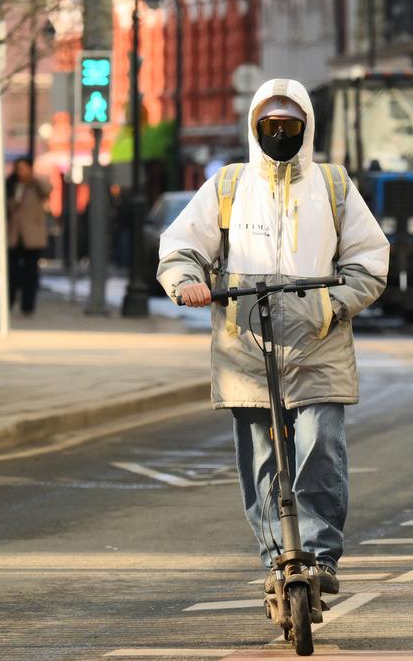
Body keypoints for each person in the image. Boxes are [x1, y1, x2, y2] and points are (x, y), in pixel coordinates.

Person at [157, 78, 389, 597]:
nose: (280, 132)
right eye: (271, 124)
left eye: (290, 124)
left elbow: (370, 259)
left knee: (320, 444)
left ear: (306, 127)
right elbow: (180, 245)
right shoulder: (229, 185)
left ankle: (319, 553)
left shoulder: (333, 184)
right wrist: (187, 281)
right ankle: (278, 556)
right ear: (255, 127)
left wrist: (333, 304)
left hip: (319, 339)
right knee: (260, 456)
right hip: (247, 341)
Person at [6, 157, 50, 316]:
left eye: (25, 168)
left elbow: (47, 190)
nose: (21, 171)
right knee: (12, 272)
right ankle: (9, 302)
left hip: (32, 236)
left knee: (31, 272)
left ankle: (28, 306)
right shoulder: (11, 185)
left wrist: (33, 179)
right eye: (19, 168)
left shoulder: (36, 185)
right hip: (14, 235)